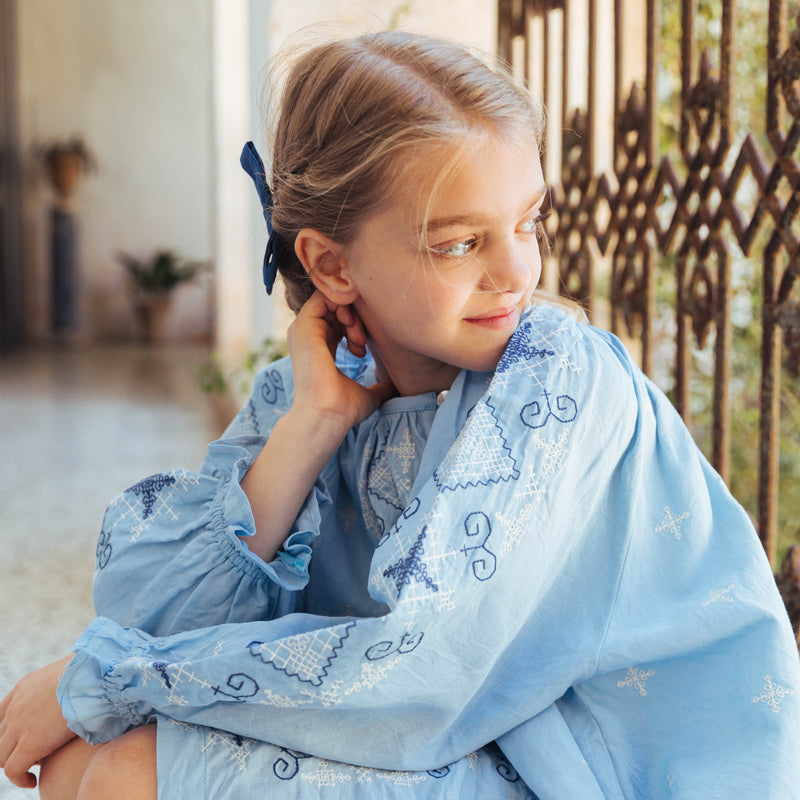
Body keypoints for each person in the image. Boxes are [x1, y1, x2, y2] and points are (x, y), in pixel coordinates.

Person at [1, 30, 799, 800]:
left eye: (528, 222)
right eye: (458, 243)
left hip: (581, 760)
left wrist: (106, 678)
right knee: (81, 765)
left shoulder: (557, 378)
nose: (516, 271)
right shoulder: (307, 388)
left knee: (126, 775)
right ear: (331, 264)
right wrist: (316, 422)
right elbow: (149, 614)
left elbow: (423, 675)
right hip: (438, 737)